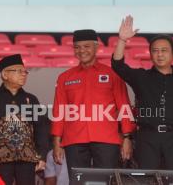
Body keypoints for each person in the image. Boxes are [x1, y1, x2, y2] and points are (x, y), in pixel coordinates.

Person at [112, 15, 173, 169]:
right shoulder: (141, 77)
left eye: (164, 50)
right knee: (147, 180)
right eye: (155, 51)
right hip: (147, 138)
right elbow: (118, 65)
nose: (159, 54)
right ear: (150, 54)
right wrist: (122, 40)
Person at [51, 29, 135, 178]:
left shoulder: (113, 74)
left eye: (86, 46)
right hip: (74, 140)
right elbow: (59, 111)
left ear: (96, 47)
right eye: (77, 47)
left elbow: (124, 106)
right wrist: (57, 142)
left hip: (107, 139)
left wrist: (127, 138)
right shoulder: (64, 77)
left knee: (106, 181)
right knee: (77, 182)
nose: (81, 51)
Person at [0, 54, 48, 185]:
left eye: (25, 71)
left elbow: (41, 129)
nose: (24, 74)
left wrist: (42, 156)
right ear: (5, 75)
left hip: (27, 159)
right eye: (18, 71)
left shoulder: (32, 99)